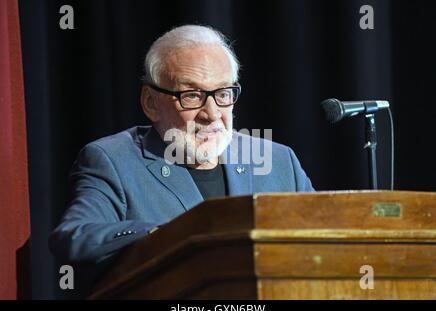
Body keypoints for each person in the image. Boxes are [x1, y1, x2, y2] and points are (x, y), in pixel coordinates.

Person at [49, 25, 314, 273]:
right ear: (150, 102)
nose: (212, 114)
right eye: (192, 96)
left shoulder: (278, 161)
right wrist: (162, 236)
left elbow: (326, 235)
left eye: (223, 94)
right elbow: (73, 237)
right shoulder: (113, 160)